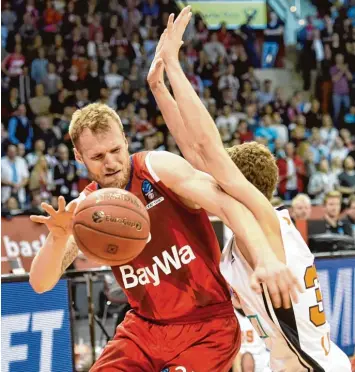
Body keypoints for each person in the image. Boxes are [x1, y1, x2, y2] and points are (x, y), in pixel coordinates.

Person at [29, 49, 299, 372]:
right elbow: (40, 283)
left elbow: (227, 203)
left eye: (116, 150)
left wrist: (265, 258)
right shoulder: (86, 210)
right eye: (98, 156)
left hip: (207, 325)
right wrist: (58, 239)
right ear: (78, 156)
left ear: (126, 140)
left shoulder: (158, 169)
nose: (111, 162)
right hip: (144, 328)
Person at [148, 8, 351, 371]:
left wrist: (175, 67)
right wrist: (159, 88)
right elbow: (196, 155)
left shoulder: (261, 222)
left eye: (217, 175)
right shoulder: (253, 225)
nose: (207, 176)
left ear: (234, 184)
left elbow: (206, 150)